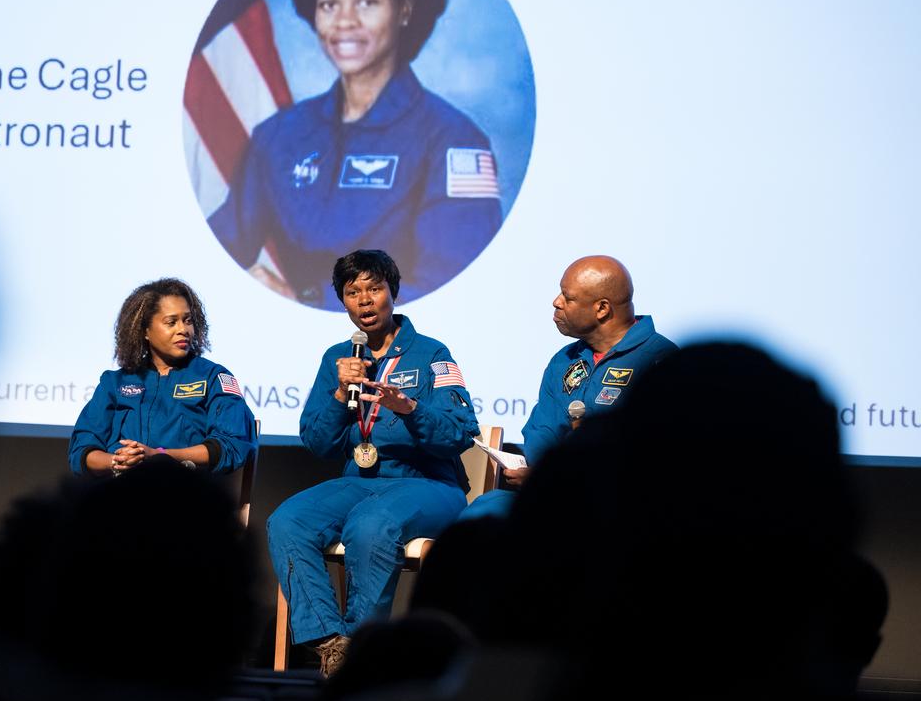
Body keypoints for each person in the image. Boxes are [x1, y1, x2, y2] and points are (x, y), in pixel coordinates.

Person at [208, 0, 503, 309]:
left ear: (405, 10)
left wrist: (311, 305)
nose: (344, 20)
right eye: (329, 4)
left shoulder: (453, 140)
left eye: (366, 2)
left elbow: (459, 290)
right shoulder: (277, 136)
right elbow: (220, 249)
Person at [268, 249, 479, 675]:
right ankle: (333, 645)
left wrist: (409, 408)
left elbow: (461, 430)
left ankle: (363, 646)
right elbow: (317, 442)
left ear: (392, 293)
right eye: (353, 292)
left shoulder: (431, 353)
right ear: (343, 302)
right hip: (360, 481)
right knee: (287, 521)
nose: (364, 300)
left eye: (374, 288)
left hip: (429, 484)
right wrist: (337, 396)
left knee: (370, 523)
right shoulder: (338, 360)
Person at [462, 255, 677, 519]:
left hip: (622, 503)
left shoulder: (661, 360)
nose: (556, 302)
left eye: (568, 297)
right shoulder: (565, 360)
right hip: (555, 493)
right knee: (486, 511)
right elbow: (543, 431)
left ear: (602, 309)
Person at [68, 278, 257, 476]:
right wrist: (119, 461)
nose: (183, 330)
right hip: (121, 495)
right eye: (171, 322)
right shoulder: (114, 383)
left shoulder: (213, 377)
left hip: (188, 496)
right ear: (144, 331)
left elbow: (232, 445)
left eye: (188, 320)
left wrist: (159, 456)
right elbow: (82, 450)